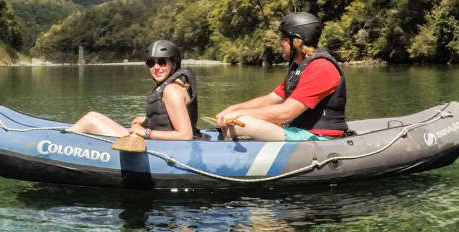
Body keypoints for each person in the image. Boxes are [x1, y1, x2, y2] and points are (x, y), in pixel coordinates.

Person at [214, 12, 348, 142]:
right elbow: (271, 99)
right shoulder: (299, 67)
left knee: (241, 123)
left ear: (296, 41)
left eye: (284, 38)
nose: (280, 43)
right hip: (299, 130)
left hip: (319, 137)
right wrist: (234, 109)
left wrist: (240, 115)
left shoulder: (321, 68)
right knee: (238, 121)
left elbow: (287, 112)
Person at [67, 40, 198, 140]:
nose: (156, 67)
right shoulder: (172, 86)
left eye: (162, 62)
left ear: (173, 63)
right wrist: (147, 120)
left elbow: (185, 135)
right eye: (151, 63)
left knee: (90, 121)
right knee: (93, 115)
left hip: (159, 147)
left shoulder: (172, 90)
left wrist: (146, 132)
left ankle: (59, 147)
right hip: (153, 142)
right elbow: (168, 118)